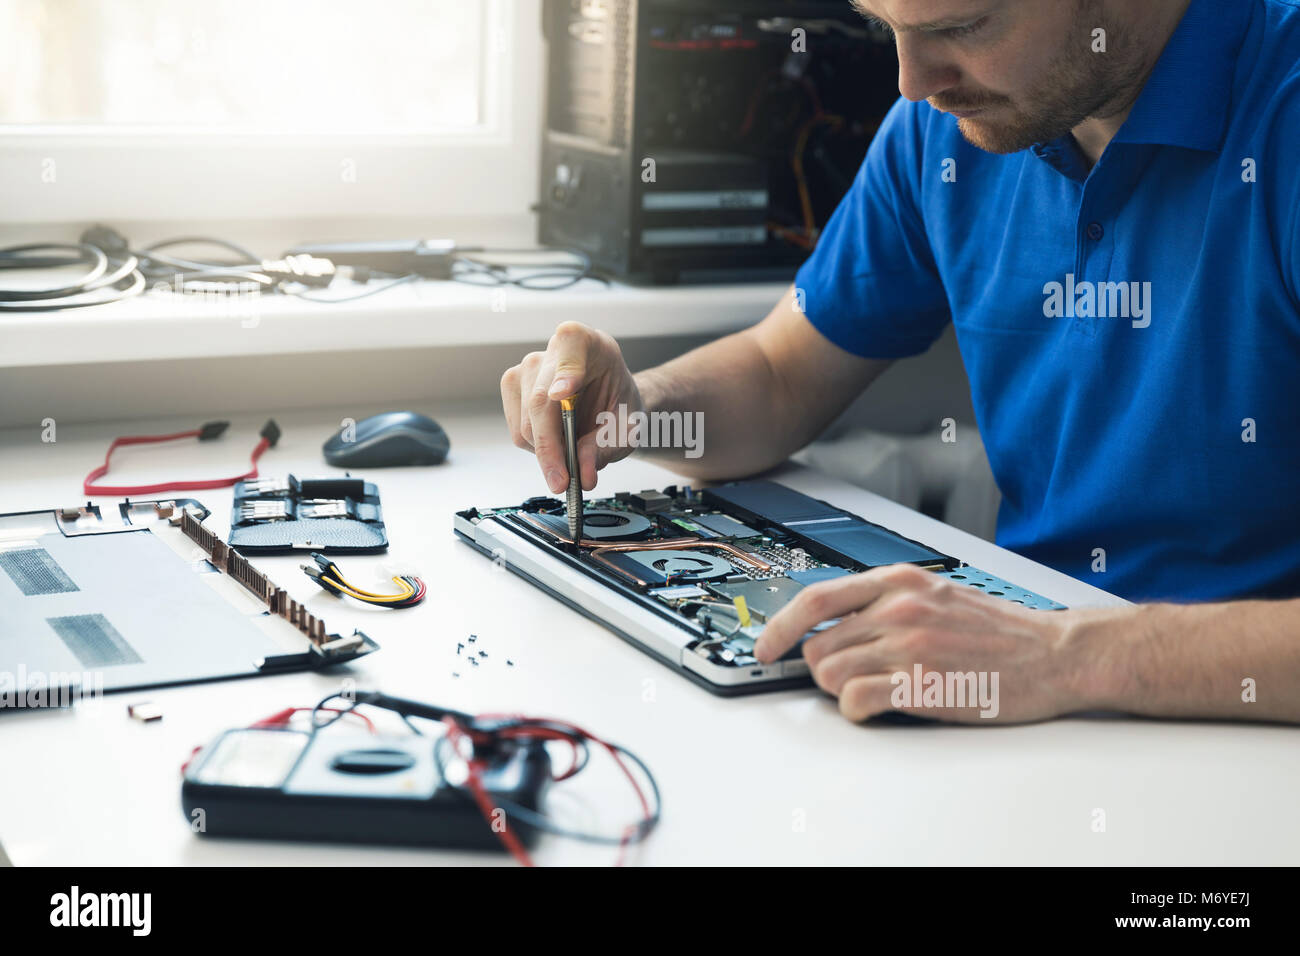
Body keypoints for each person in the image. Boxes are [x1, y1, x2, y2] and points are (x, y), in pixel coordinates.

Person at [500, 0, 1300, 724]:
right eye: (885, 27)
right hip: (1044, 692)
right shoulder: (951, 130)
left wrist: (1063, 654)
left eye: (962, 27)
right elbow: (780, 376)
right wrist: (635, 408)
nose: (913, 83)